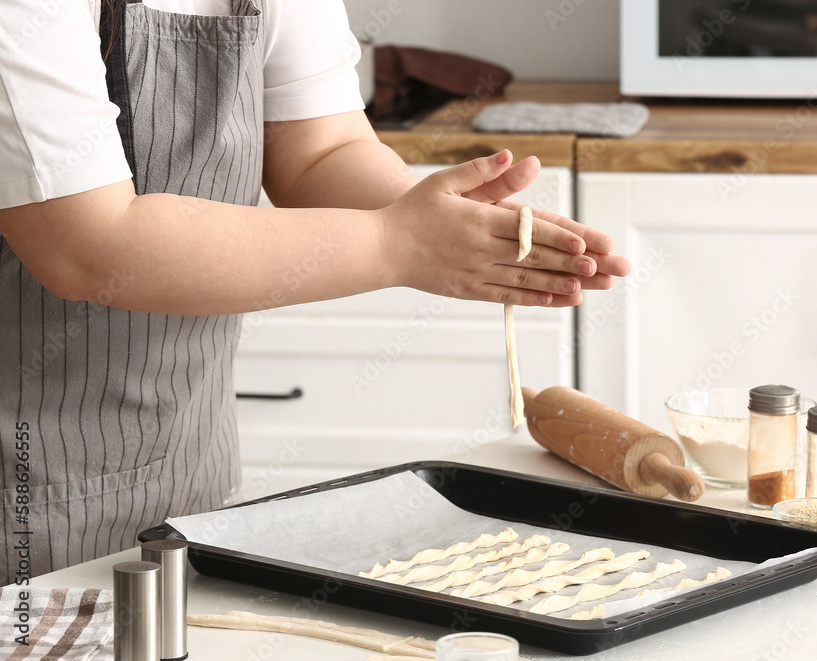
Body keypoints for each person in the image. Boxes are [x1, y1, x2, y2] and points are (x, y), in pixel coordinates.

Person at [0, 0, 630, 585]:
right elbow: (85, 245)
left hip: (185, 462)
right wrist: (401, 243)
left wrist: (454, 227)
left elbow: (319, 149)